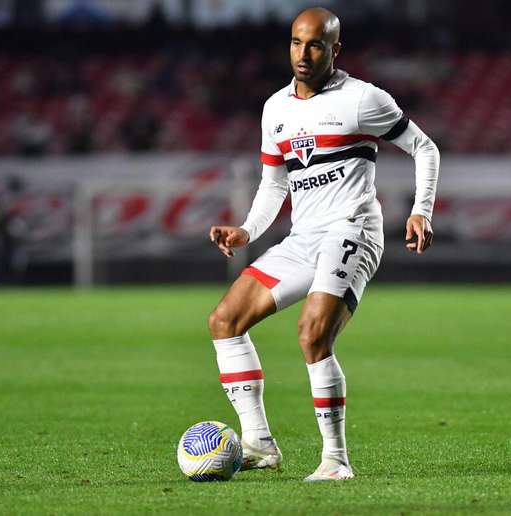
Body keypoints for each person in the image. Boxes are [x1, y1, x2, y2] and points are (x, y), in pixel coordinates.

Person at [207, 7, 439, 482]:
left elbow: (425, 147)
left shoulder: (362, 100)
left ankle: (336, 460)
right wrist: (247, 231)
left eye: (315, 44)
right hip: (304, 238)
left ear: (336, 49)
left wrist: (421, 210)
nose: (304, 53)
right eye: (296, 42)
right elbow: (275, 185)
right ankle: (258, 443)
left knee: (313, 334)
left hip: (353, 230)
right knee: (225, 321)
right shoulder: (276, 108)